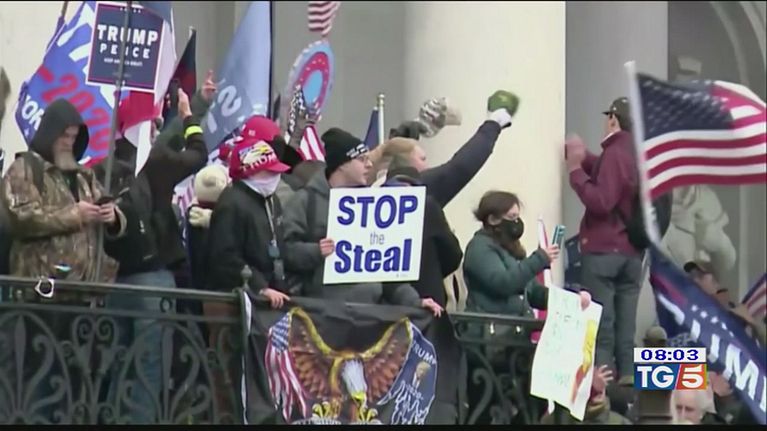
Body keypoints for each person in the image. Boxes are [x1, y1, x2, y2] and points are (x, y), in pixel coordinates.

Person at [282, 127, 442, 315]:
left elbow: (387, 271)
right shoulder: (306, 201)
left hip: (369, 317)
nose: (369, 165)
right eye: (361, 159)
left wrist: (414, 301)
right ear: (342, 164)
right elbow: (286, 251)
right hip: (320, 316)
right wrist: (317, 251)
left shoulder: (373, 205)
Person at [2, 98, 125, 284]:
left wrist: (112, 217)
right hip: (41, 286)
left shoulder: (84, 176)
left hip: (86, 287)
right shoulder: (25, 169)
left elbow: (109, 209)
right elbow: (21, 218)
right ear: (50, 134)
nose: (69, 142)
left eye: (73, 137)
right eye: (64, 136)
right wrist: (76, 215)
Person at [565, 97, 642, 385]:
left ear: (613, 119)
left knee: (602, 329)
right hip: (632, 255)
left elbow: (602, 200)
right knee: (626, 330)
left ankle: (602, 391)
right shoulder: (638, 154)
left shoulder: (615, 151)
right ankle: (628, 384)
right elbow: (613, 177)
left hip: (603, 253)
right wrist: (583, 156)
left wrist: (575, 172)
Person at [368, 90, 520, 208]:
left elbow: (390, 154)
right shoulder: (413, 191)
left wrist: (401, 137)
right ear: (404, 163)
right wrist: (494, 123)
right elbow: (460, 167)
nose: (427, 166)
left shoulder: (372, 192)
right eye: (422, 159)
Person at [206, 137, 293, 308]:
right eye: (269, 172)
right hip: (236, 300)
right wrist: (259, 287)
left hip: (271, 294)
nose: (275, 176)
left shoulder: (271, 199)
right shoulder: (231, 204)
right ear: (250, 171)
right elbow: (225, 257)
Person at [383, 155, 463, 307]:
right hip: (427, 297)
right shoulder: (426, 205)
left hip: (384, 304)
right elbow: (453, 254)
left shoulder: (372, 207)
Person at [463, 191, 558, 316]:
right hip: (492, 325)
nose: (516, 222)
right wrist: (539, 259)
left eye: (518, 217)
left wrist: (567, 300)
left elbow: (533, 292)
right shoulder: (479, 248)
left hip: (518, 325)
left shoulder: (511, 248)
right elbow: (503, 284)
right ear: (493, 220)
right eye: (512, 217)